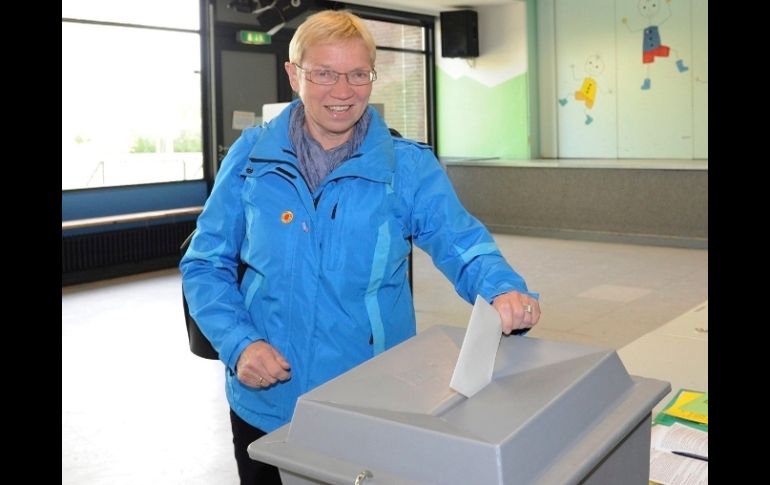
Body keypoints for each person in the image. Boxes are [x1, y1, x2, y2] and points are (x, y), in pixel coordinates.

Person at [180, 9, 541, 484]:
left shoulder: (407, 167)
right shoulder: (250, 158)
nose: (343, 92)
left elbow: (463, 243)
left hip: (370, 398)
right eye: (324, 73)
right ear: (294, 75)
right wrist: (239, 345)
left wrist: (502, 289)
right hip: (267, 399)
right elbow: (205, 264)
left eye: (357, 74)